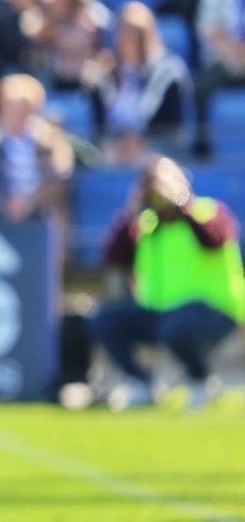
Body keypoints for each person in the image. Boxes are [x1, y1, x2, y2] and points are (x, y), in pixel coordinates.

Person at [92, 156, 243, 410]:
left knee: (176, 326)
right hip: (162, 313)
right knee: (105, 320)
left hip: (214, 310)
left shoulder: (208, 211)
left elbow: (214, 240)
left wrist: (182, 202)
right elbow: (113, 256)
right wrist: (132, 208)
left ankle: (200, 381)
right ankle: (141, 384)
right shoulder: (146, 226)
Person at [0, 72, 73, 225]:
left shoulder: (51, 142)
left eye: (23, 108)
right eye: (10, 107)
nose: (16, 114)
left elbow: (59, 181)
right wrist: (3, 203)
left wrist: (30, 201)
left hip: (40, 216)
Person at [92, 1, 193, 162]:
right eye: (124, 32)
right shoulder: (104, 76)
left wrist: (142, 142)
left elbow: (173, 129)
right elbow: (99, 127)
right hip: (114, 153)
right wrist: (121, 143)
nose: (129, 40)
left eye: (136, 33)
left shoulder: (168, 75)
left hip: (157, 153)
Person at [194, 0, 245, 111]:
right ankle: (202, 140)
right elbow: (206, 27)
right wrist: (232, 49)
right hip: (225, 60)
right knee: (202, 90)